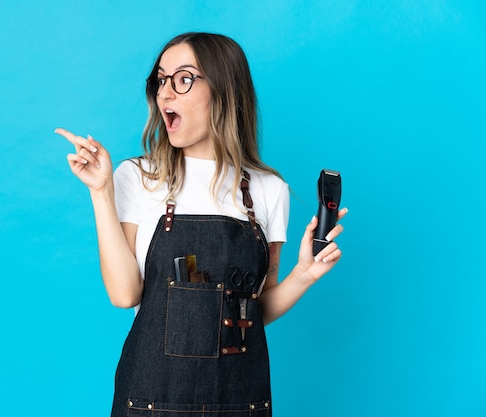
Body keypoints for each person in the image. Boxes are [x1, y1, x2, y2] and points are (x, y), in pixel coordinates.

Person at [56, 32, 347, 417]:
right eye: (161, 79)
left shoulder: (269, 190)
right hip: (150, 402)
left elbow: (255, 311)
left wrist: (305, 275)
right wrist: (101, 191)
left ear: (224, 89)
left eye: (183, 78)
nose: (165, 94)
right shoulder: (138, 176)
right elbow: (124, 294)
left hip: (241, 402)